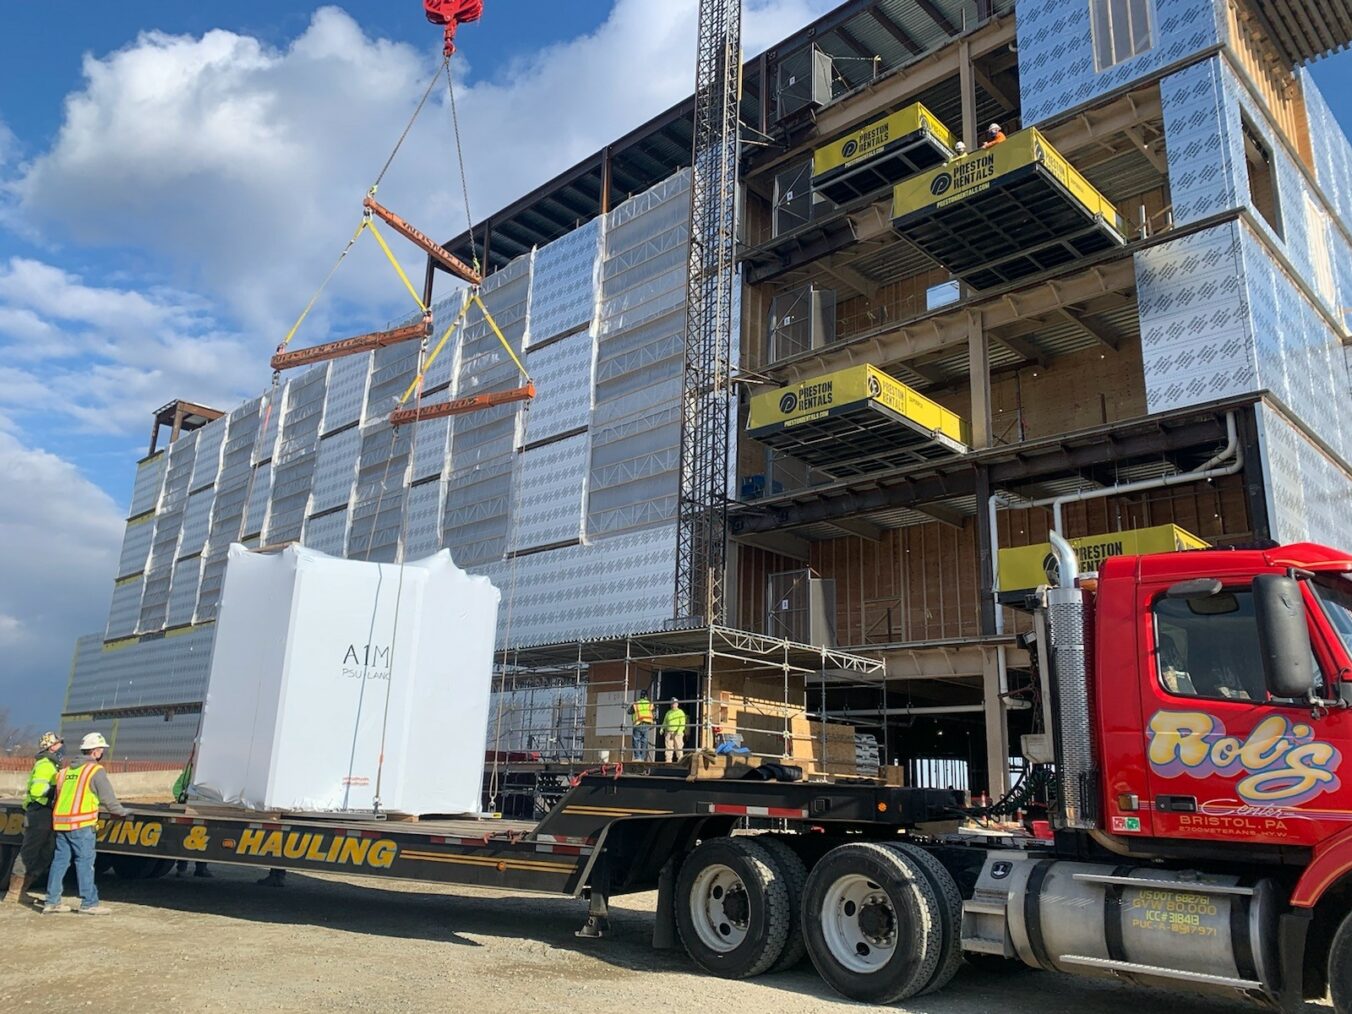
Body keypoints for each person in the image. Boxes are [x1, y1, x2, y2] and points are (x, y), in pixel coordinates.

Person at [43, 732, 129, 915]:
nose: (102, 753)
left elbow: (57, 797)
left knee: (59, 862)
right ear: (96, 751)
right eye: (101, 749)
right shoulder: (95, 771)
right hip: (81, 824)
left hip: (61, 824)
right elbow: (108, 799)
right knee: (85, 862)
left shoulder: (65, 772)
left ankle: (51, 901)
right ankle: (89, 902)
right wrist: (122, 812)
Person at [4, 732, 63, 904]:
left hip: (44, 812)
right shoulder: (46, 764)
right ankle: (15, 892)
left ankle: (22, 888)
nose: (61, 747)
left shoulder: (51, 763)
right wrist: (54, 792)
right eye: (59, 744)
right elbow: (38, 791)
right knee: (30, 851)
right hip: (39, 812)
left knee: (45, 851)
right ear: (51, 746)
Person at [170, 761, 211, 879]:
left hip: (205, 810)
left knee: (203, 840)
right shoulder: (192, 770)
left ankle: (200, 868)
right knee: (187, 840)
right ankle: (183, 868)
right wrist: (182, 799)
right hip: (192, 811)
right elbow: (177, 787)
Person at [628, 689, 655, 762]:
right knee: (644, 741)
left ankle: (638, 757)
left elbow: (629, 712)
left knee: (636, 740)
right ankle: (642, 758)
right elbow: (653, 714)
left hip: (638, 724)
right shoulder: (650, 704)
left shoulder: (636, 704)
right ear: (646, 696)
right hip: (646, 725)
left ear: (640, 696)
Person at [662, 697, 688, 764]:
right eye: (672, 704)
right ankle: (668, 760)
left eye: (674, 703)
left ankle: (680, 760)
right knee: (668, 747)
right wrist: (662, 728)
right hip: (669, 732)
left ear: (677, 704)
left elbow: (682, 722)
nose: (673, 705)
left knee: (678, 747)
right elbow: (665, 721)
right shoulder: (668, 712)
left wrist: (679, 731)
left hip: (677, 733)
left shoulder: (680, 712)